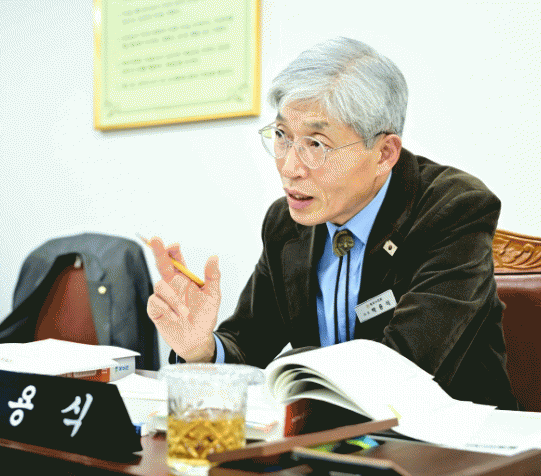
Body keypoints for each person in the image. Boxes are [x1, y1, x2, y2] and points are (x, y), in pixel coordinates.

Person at [146, 37, 518, 409]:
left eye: (316, 144)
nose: (290, 167)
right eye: (282, 136)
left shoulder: (453, 209)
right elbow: (249, 343)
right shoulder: (286, 223)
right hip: (327, 433)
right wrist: (201, 349)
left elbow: (406, 368)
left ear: (384, 153)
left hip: (449, 434)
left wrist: (291, 367)